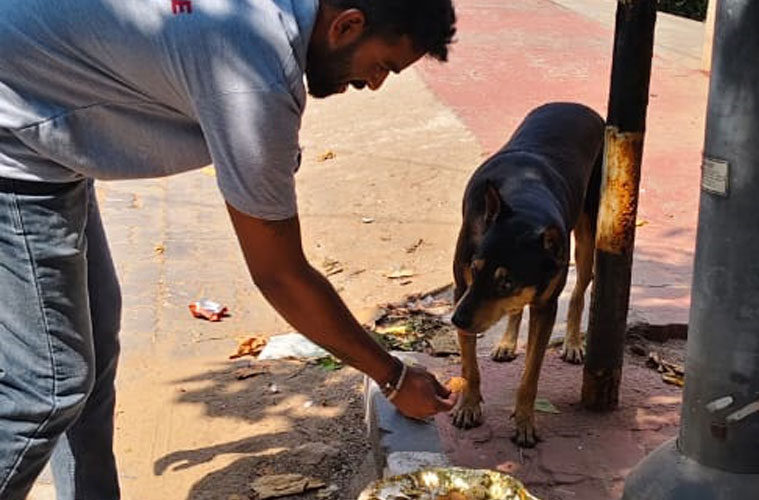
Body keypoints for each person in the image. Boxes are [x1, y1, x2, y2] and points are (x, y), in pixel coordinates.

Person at [0, 0, 458, 498]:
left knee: (93, 350)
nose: (375, 83)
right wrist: (393, 377)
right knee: (49, 386)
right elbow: (280, 275)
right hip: (15, 147)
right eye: (382, 65)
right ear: (347, 25)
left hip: (44, 126)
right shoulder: (253, 74)